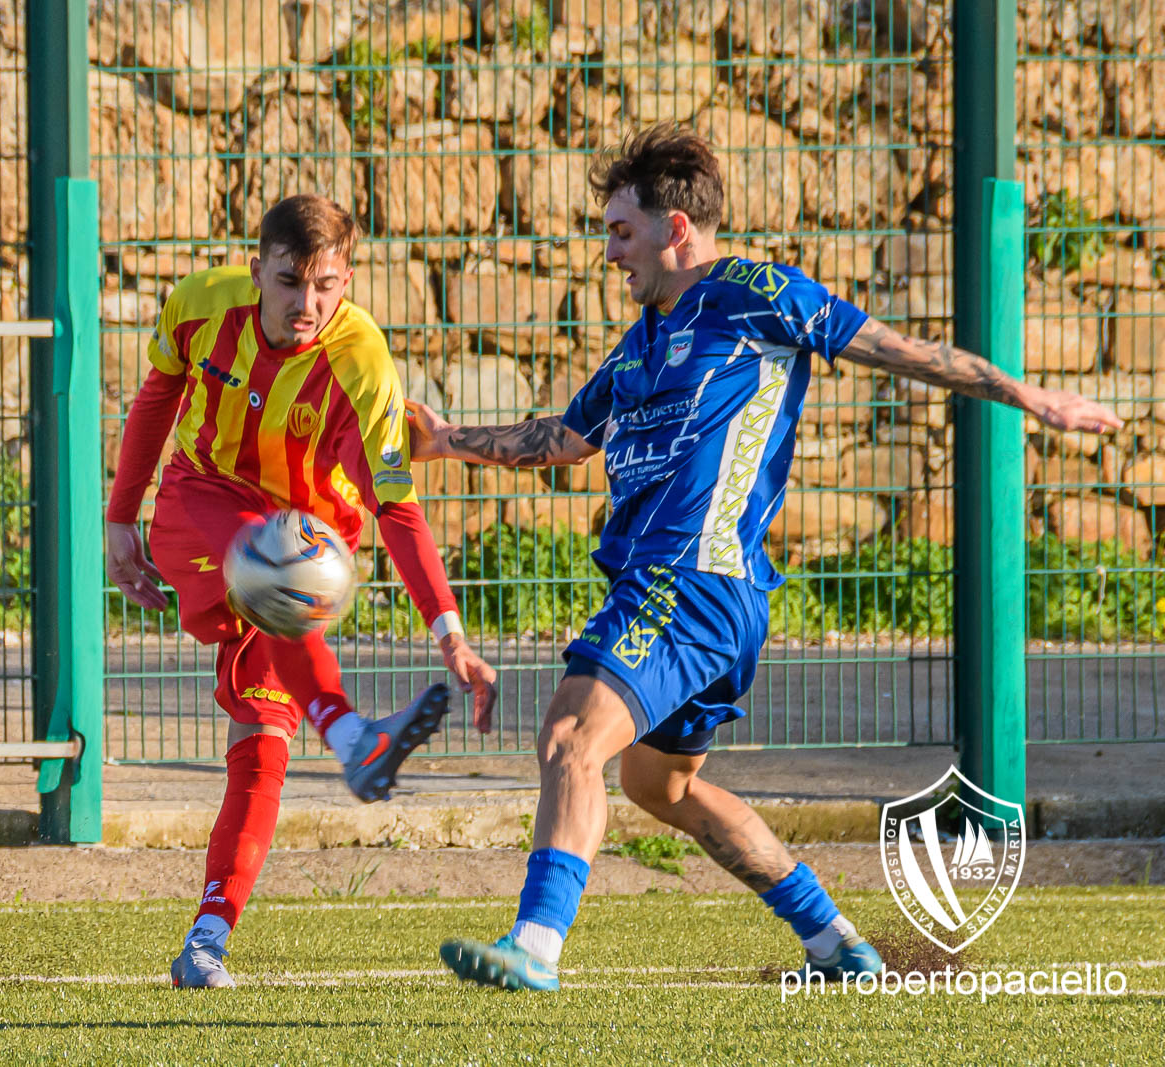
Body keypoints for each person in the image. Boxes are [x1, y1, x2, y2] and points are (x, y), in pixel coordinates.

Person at [413, 124, 1123, 990]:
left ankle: (535, 943)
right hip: (706, 595)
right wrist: (447, 439)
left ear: (676, 228)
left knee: (570, 732)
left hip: (690, 579)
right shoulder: (638, 346)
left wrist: (1029, 395)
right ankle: (835, 940)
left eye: (621, 232)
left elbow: (899, 351)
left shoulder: (756, 293)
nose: (608, 253)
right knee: (662, 788)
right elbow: (563, 438)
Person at [105, 193, 499, 989]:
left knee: (263, 741)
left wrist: (450, 632)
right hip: (200, 505)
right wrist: (120, 517)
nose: (308, 304)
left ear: (347, 279)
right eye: (290, 282)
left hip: (305, 549)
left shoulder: (362, 362)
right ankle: (353, 738)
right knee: (275, 561)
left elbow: (395, 508)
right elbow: (155, 399)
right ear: (257, 271)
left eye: (326, 285)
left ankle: (207, 938)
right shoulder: (201, 307)